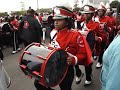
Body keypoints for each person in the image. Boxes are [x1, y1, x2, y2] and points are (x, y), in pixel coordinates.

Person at [34, 6, 93, 90]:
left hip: (66, 69)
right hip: (52, 65)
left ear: (67, 21)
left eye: (59, 20)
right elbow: (53, 46)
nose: (56, 22)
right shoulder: (53, 32)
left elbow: (83, 54)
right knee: (38, 83)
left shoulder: (75, 35)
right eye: (55, 20)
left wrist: (74, 59)